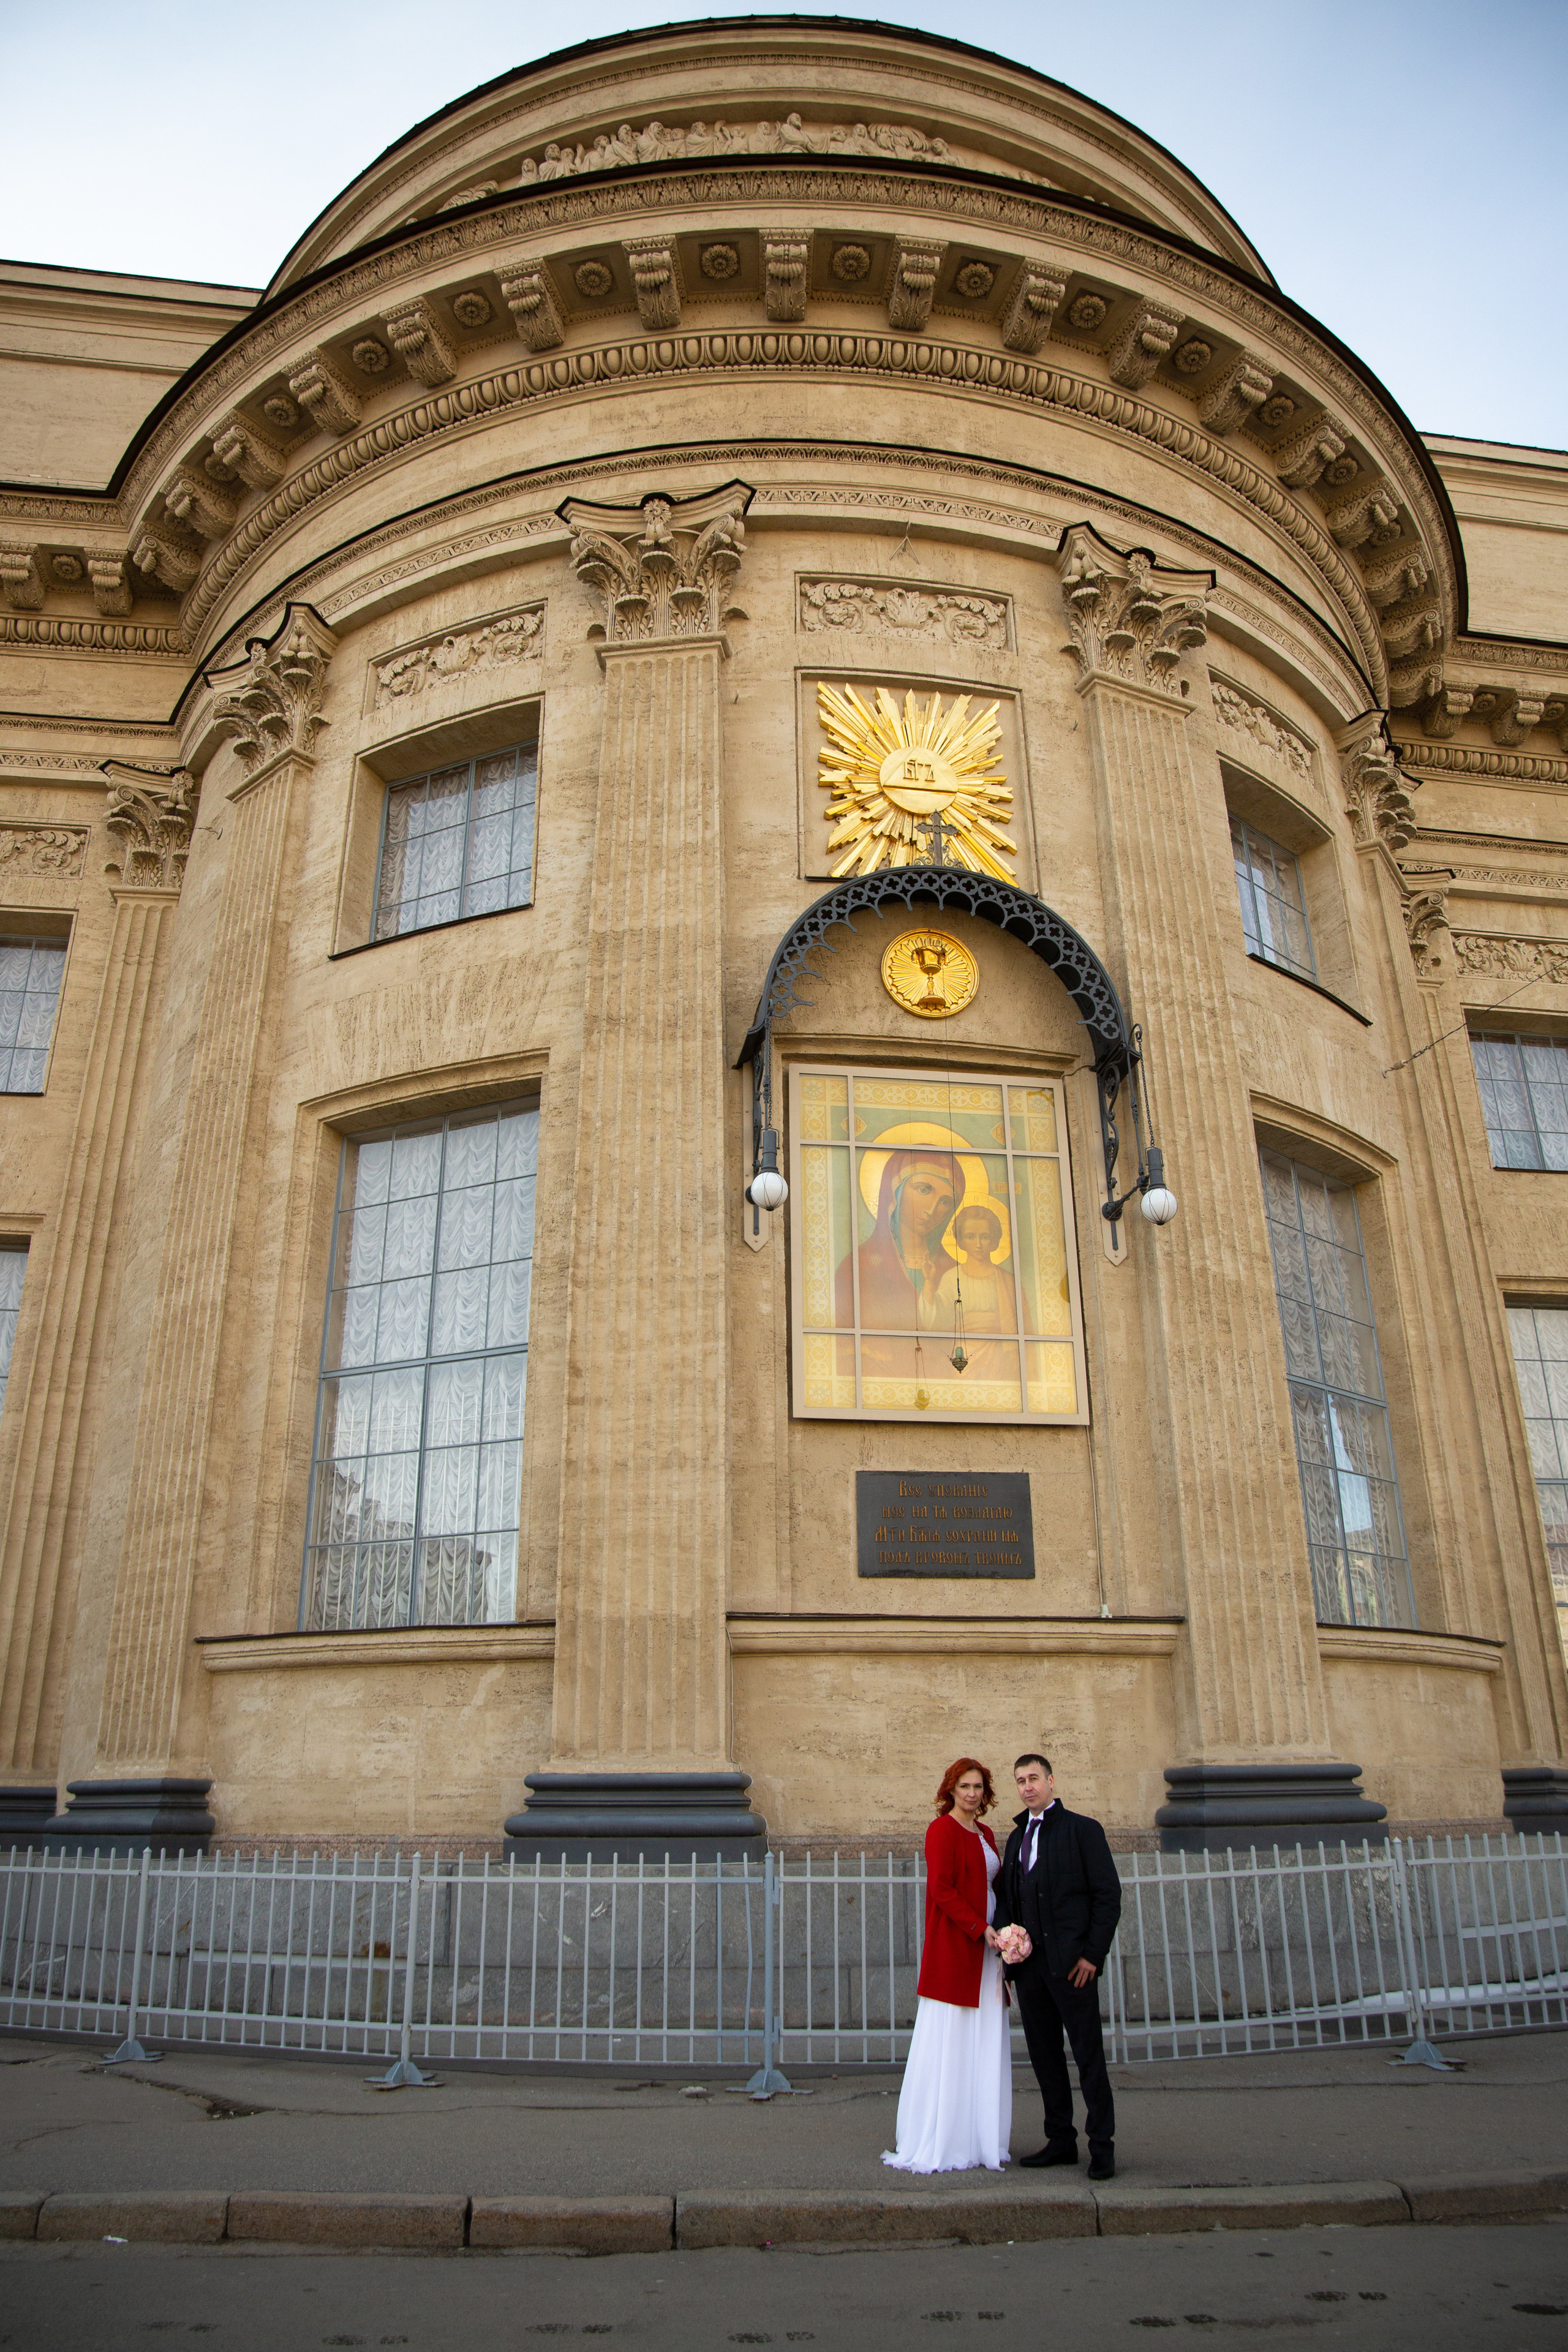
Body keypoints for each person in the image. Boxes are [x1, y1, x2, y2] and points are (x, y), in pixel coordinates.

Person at [989, 1752, 1122, 2179]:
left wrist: (1092, 1955)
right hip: (1030, 1970)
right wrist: (1008, 1948)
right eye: (1020, 1781)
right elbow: (1009, 1899)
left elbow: (1107, 1896)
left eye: (1034, 1779)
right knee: (1046, 2059)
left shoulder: (1083, 1831)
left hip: (1073, 1967)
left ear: (1051, 1781)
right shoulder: (1016, 1837)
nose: (1028, 1787)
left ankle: (1101, 2145)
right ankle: (1061, 2139)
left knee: (1088, 2058)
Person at [883, 1758, 1012, 2174]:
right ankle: (944, 2138)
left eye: (978, 1786)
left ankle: (978, 2138)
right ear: (951, 1790)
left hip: (989, 1951)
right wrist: (981, 1928)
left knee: (984, 2040)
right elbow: (941, 1888)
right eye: (964, 1786)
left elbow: (995, 1885)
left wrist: (1007, 1931)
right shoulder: (941, 1830)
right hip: (959, 1948)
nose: (972, 1793)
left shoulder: (987, 1833)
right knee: (952, 2038)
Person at [836, 1148, 959, 1334]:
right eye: (924, 1190)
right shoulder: (856, 1268)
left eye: (945, 1202)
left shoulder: (956, 1273)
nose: (932, 1210)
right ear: (894, 1191)